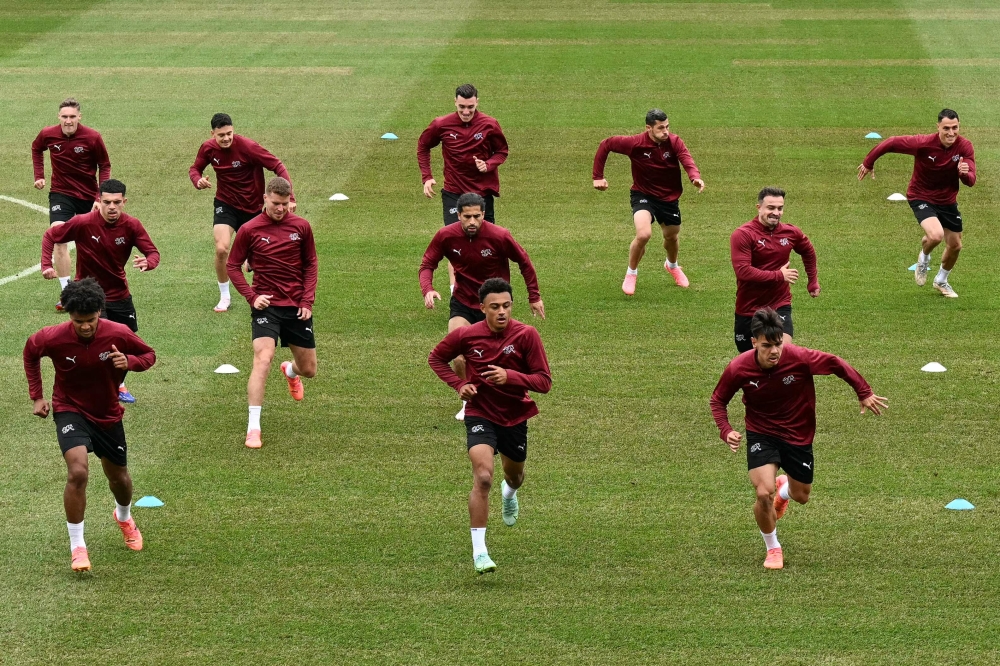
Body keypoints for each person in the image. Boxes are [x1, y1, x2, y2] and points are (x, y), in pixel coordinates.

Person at [709, 307, 887, 570]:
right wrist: (726, 430)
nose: (774, 351)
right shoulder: (739, 368)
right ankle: (773, 548)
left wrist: (863, 391)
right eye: (767, 345)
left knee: (801, 495)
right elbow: (718, 400)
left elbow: (836, 363)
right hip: (762, 432)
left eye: (778, 344)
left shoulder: (800, 358)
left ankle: (784, 492)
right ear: (754, 342)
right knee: (762, 492)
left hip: (798, 434)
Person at [23, 278, 156, 572]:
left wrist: (129, 362)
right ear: (70, 316)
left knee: (118, 478)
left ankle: (123, 517)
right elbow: (30, 353)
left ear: (100, 313)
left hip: (107, 413)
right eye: (78, 321)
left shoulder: (118, 332)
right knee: (78, 471)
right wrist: (37, 396)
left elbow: (150, 355)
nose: (85, 326)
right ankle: (78, 547)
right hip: (70, 410)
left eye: (91, 320)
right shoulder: (52, 337)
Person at [429, 278, 552, 574]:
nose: (501, 312)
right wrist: (460, 384)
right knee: (483, 476)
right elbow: (436, 358)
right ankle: (480, 552)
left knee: (516, 476)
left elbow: (544, 382)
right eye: (494, 307)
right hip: (480, 412)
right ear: (482, 308)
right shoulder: (467, 336)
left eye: (506, 306)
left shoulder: (527, 335)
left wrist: (511, 376)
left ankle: (509, 493)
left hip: (514, 416)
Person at [419, 193, 544, 421]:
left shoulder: (499, 236)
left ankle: (501, 399)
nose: (472, 221)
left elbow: (524, 262)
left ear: (484, 215)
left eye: (477, 216)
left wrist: (534, 296)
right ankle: (470, 401)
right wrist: (427, 289)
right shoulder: (446, 236)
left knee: (496, 359)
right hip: (464, 303)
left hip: (494, 306)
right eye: (467, 217)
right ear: (458, 216)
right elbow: (427, 264)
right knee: (458, 357)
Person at [41, 179, 159, 404]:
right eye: (106, 202)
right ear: (99, 201)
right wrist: (46, 264)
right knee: (98, 341)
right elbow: (51, 235)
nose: (111, 207)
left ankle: (118, 382)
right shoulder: (83, 222)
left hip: (119, 294)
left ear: (124, 202)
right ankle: (100, 388)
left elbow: (153, 252)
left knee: (128, 339)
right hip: (89, 295)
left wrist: (149, 262)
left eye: (116, 202)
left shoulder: (132, 225)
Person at [227, 177, 317, 449]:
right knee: (262, 359)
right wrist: (252, 298)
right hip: (267, 307)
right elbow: (233, 265)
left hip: (297, 308)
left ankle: (290, 371)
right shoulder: (249, 229)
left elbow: (311, 264)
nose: (280, 209)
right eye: (276, 204)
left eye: (285, 204)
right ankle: (253, 427)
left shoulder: (301, 227)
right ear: (265, 199)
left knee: (309, 370)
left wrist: (307, 301)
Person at [858, 109, 975, 298]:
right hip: (921, 196)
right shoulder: (923, 143)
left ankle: (941, 281)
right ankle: (924, 258)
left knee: (955, 246)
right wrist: (868, 162)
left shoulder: (965, 147)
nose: (951, 133)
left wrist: (964, 173)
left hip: (947, 201)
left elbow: (971, 181)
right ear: (938, 127)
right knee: (936, 236)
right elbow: (891, 142)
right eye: (946, 128)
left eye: (955, 128)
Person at [190, 113, 296, 312]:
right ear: (212, 133)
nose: (226, 138)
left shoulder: (248, 147)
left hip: (253, 209)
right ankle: (225, 296)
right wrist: (198, 181)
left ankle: (252, 262)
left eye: (229, 133)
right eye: (221, 135)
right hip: (226, 204)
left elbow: (277, 166)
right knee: (221, 249)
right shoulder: (208, 148)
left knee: (266, 255)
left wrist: (292, 198)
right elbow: (195, 168)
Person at [592, 108, 705, 295]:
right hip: (643, 194)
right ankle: (631, 273)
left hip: (669, 198)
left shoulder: (674, 142)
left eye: (667, 127)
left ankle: (672, 265)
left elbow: (687, 160)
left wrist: (695, 177)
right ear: (648, 128)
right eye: (661, 128)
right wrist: (598, 176)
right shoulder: (635, 143)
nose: (666, 132)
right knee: (643, 234)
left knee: (671, 236)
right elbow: (607, 144)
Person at [417, 83, 509, 291]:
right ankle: (455, 293)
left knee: (486, 243)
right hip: (454, 193)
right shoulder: (442, 125)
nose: (466, 112)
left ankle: (486, 292)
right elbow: (423, 146)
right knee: (456, 241)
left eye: (470, 107)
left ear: (477, 102)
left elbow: (502, 151)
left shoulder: (490, 124)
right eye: (462, 107)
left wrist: (489, 165)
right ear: (455, 103)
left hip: (482, 193)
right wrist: (427, 177)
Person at [31, 98, 111, 310]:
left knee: (94, 243)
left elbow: (104, 165)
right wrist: (39, 175)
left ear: (79, 117)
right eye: (64, 117)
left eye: (72, 117)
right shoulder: (48, 134)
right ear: (59, 117)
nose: (68, 121)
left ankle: (95, 289)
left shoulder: (92, 137)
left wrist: (99, 198)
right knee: (59, 236)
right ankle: (67, 293)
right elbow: (36, 148)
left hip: (88, 196)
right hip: (60, 193)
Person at [730, 187, 819, 353]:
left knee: (781, 353)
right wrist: (779, 275)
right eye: (771, 208)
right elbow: (743, 271)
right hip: (749, 308)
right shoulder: (743, 234)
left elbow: (808, 251)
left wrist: (812, 281)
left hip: (779, 305)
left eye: (780, 208)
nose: (776, 213)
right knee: (751, 360)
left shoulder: (791, 232)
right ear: (759, 208)